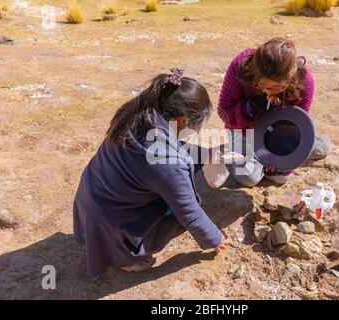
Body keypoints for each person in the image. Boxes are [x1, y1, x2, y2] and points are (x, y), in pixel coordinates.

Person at [73, 69, 226, 277]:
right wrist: (215, 238)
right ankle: (128, 258)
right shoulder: (168, 163)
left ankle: (111, 245)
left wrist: (207, 154)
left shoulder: (139, 115)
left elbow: (170, 150)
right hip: (114, 227)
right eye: (197, 126)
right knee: (181, 210)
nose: (197, 131)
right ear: (182, 120)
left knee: (173, 194)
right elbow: (190, 213)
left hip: (91, 209)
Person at [218, 37, 315, 187]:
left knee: (280, 178)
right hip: (243, 132)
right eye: (262, 85)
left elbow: (298, 125)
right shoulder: (240, 68)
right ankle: (233, 152)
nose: (267, 91)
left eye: (275, 87)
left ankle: (313, 144)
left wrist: (280, 161)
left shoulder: (304, 82)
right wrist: (250, 106)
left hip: (276, 135)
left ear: (289, 79)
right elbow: (224, 112)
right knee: (249, 179)